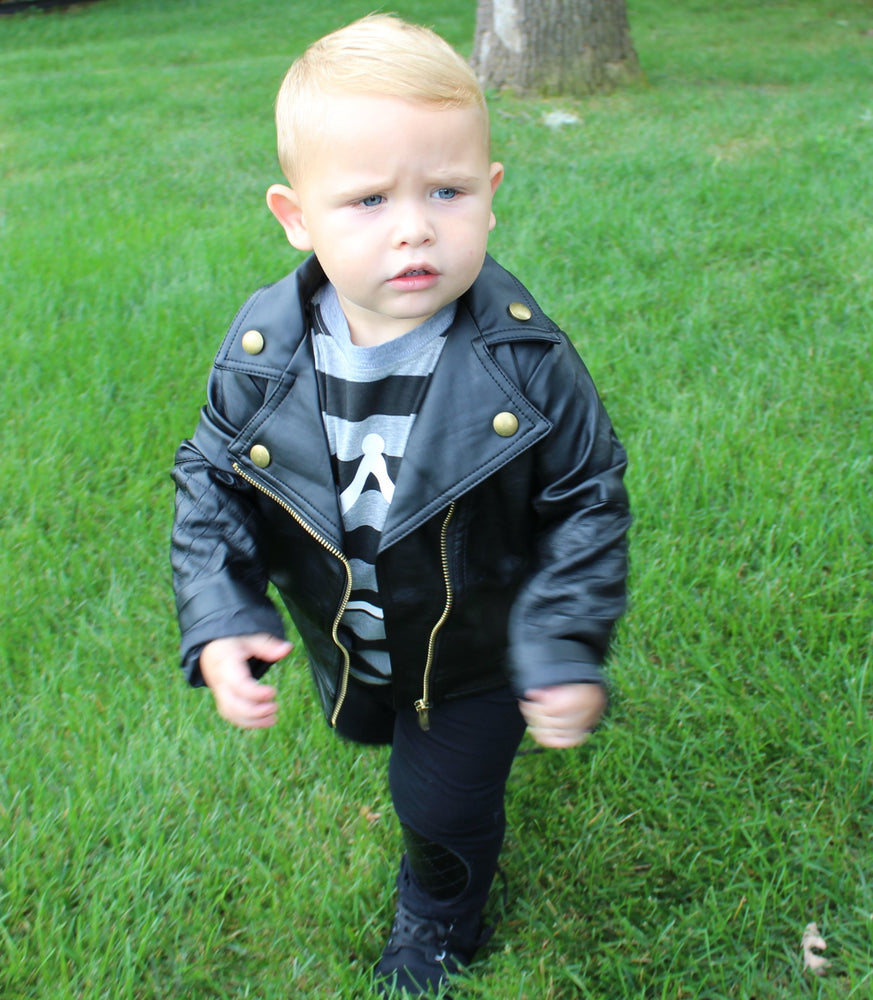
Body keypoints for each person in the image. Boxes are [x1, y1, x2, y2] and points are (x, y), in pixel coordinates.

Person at [171, 13, 630, 997]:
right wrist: (220, 611)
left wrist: (557, 640)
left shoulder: (527, 365)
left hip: (475, 650)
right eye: (369, 198)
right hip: (358, 632)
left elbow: (587, 498)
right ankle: (385, 712)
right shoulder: (266, 353)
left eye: (447, 191)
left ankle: (441, 906)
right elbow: (211, 476)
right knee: (372, 724)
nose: (415, 225)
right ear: (297, 217)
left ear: (491, 196)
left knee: (438, 798)